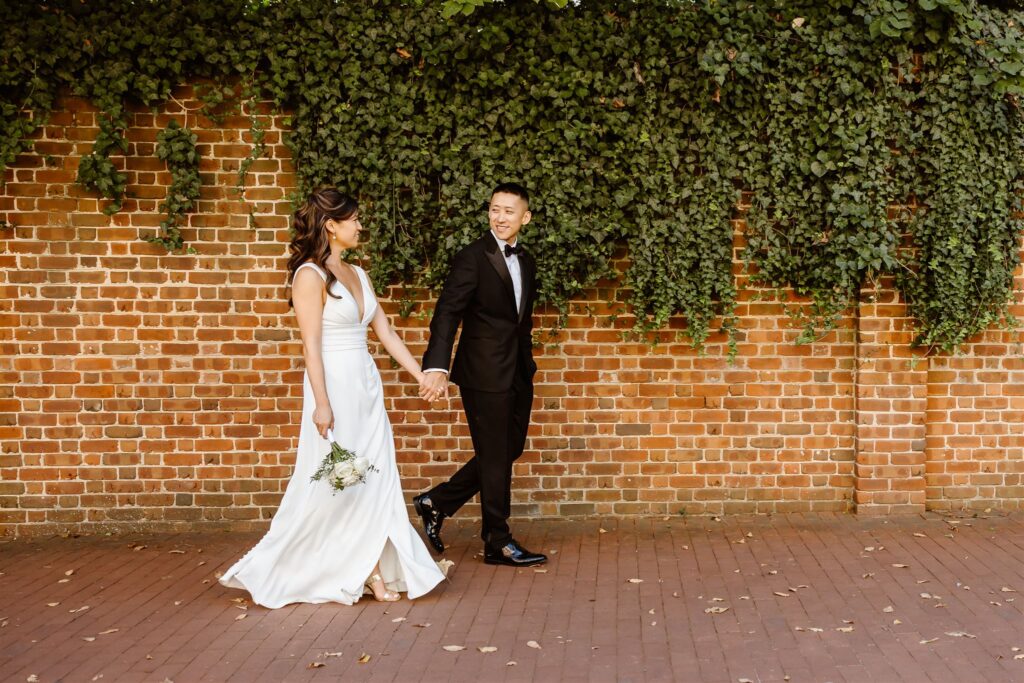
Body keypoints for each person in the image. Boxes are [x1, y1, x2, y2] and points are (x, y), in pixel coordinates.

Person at [219, 188, 445, 608]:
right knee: (344, 479)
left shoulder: (358, 273)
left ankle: (372, 563)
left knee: (374, 477)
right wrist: (322, 403)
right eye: (354, 219)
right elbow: (311, 346)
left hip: (366, 386)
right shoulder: (309, 275)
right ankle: (367, 572)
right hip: (334, 387)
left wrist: (421, 376)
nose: (360, 225)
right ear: (331, 225)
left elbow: (386, 333)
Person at [413, 182, 547, 567]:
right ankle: (498, 541)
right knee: (493, 455)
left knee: (508, 450)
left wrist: (528, 364)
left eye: (509, 211)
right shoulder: (472, 257)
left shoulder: (526, 260)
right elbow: (447, 312)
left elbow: (521, 321)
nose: (500, 217)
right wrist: (437, 365)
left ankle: (436, 501)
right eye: (494, 209)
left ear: (526, 217)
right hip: (482, 373)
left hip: (518, 371)